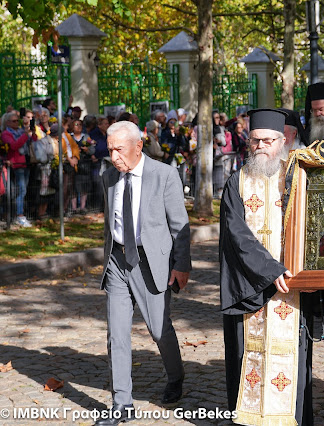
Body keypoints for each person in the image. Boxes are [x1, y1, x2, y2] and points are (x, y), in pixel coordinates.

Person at [220, 108, 322, 425]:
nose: (261, 146)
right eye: (255, 141)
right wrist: (270, 270)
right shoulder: (236, 183)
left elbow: (314, 227)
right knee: (246, 357)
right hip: (251, 287)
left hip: (293, 288)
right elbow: (236, 235)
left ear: (282, 141)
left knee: (292, 361)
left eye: (267, 140)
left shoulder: (299, 178)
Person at [95, 121, 191, 426]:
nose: (113, 156)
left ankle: (176, 377)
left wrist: (181, 265)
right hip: (117, 262)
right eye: (109, 149)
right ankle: (121, 404)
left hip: (151, 263)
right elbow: (111, 221)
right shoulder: (109, 177)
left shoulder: (163, 174)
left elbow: (180, 226)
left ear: (138, 146)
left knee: (159, 328)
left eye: (118, 149)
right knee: (116, 334)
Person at [1, 111, 33, 227]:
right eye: (14, 121)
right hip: (15, 165)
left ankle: (18, 214)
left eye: (17, 120)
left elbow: (32, 140)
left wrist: (31, 132)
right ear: (8, 122)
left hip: (26, 163)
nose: (16, 123)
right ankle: (19, 215)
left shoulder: (21, 131)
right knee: (21, 190)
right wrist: (25, 135)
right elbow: (14, 145)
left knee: (22, 191)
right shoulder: (5, 134)